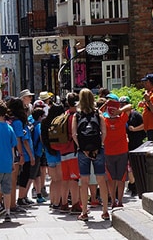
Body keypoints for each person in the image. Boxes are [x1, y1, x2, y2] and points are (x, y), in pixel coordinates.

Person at [72, 88, 110, 221]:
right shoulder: (98, 114)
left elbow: (74, 134)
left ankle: (84, 212)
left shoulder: (77, 115)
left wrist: (82, 148)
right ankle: (105, 211)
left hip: (83, 151)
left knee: (84, 181)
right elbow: (104, 132)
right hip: (98, 150)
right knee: (101, 180)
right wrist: (99, 145)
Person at [100, 94, 133, 208]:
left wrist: (105, 105)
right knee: (121, 178)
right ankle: (120, 201)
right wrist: (119, 111)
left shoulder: (104, 121)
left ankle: (113, 200)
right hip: (121, 151)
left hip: (109, 153)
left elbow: (98, 112)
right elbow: (129, 106)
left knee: (111, 178)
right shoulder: (122, 119)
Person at [40, 102, 66, 211]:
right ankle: (57, 202)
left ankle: (52, 201)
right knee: (60, 179)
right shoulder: (61, 122)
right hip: (59, 151)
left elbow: (42, 138)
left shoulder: (44, 122)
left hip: (49, 152)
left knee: (53, 180)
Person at [124, 96, 145, 197]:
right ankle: (132, 185)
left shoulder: (136, 115)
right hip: (126, 145)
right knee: (129, 167)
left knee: (136, 165)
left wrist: (134, 129)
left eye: (124, 104)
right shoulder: (122, 116)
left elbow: (144, 125)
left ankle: (136, 186)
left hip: (136, 143)